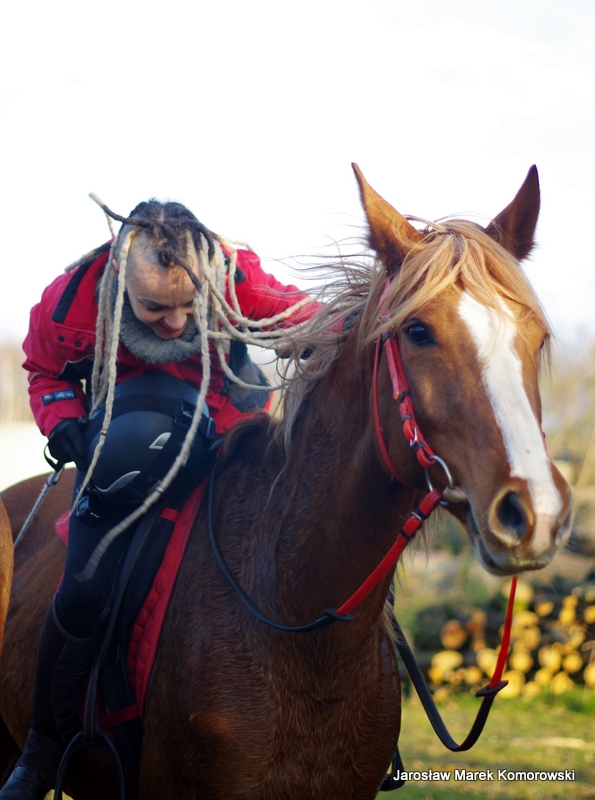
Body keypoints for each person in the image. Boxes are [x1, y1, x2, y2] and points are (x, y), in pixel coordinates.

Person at [1, 199, 315, 799]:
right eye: (154, 307)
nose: (174, 322)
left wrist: (337, 330)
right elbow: (44, 371)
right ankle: (41, 748)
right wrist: (61, 420)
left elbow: (301, 314)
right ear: (122, 277)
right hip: (125, 444)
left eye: (187, 305)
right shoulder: (71, 301)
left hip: (226, 431)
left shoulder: (230, 275)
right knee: (83, 586)